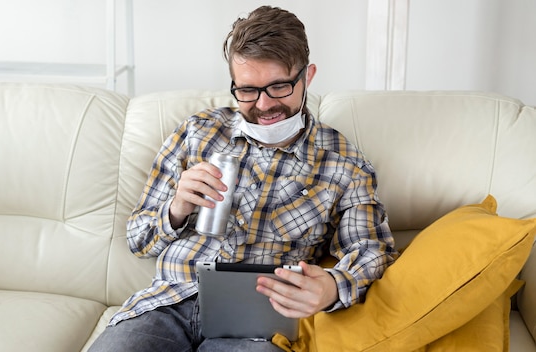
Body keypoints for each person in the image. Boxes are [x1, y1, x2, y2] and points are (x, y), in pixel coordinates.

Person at [89, 5, 397, 352]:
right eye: (248, 90)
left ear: (307, 76)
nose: (264, 105)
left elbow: (372, 251)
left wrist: (332, 287)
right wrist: (176, 208)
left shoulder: (344, 164)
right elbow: (138, 239)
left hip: (256, 327)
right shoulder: (197, 133)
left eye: (279, 87)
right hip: (167, 304)